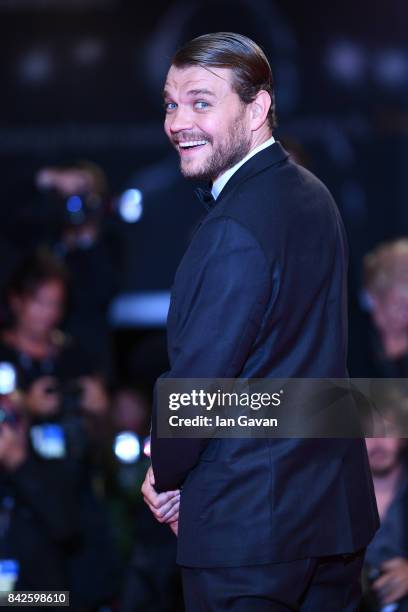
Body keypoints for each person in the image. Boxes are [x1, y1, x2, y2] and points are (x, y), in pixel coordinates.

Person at [142, 32, 379, 611]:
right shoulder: (312, 194)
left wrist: (166, 474)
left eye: (201, 102)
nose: (178, 122)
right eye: (172, 104)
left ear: (258, 109)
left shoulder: (233, 227)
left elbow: (199, 390)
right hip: (330, 519)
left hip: (250, 532)